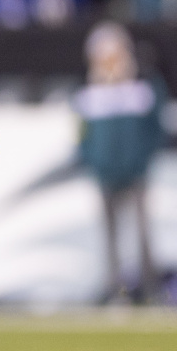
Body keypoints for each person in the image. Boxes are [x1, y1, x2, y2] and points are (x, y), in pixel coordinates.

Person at [74, 21, 165, 304]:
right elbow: (82, 137)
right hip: (106, 174)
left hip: (135, 173)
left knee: (142, 233)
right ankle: (116, 289)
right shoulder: (88, 93)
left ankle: (149, 290)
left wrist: (141, 160)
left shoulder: (142, 85)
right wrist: (95, 163)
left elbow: (155, 129)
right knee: (110, 235)